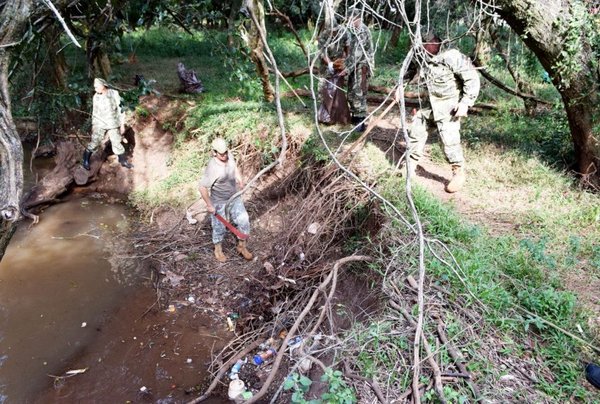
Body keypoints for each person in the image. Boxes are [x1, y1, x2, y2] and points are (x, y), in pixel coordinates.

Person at [401, 33, 480, 193]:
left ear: (436, 43)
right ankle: (409, 167)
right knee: (416, 132)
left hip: (448, 106)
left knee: (449, 140)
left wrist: (465, 103)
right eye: (421, 44)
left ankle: (458, 172)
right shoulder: (421, 56)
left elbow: (472, 79)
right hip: (429, 104)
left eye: (426, 44)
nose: (422, 48)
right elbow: (410, 70)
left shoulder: (452, 57)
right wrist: (400, 86)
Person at [199, 138, 253, 263]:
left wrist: (239, 178)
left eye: (225, 152)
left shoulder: (229, 156)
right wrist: (209, 205)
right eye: (221, 154)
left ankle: (242, 246)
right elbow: (202, 187)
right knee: (220, 228)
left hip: (234, 197)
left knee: (244, 220)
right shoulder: (212, 168)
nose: (224, 156)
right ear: (214, 152)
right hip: (219, 201)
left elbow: (234, 167)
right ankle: (218, 250)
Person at [82, 78, 133, 170]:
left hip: (113, 123)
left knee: (116, 142)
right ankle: (85, 160)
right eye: (94, 87)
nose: (95, 89)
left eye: (96, 87)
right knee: (95, 142)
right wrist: (94, 125)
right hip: (100, 123)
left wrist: (122, 124)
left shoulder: (114, 93)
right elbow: (95, 112)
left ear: (103, 86)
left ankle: (123, 161)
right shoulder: (96, 96)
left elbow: (121, 109)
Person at [340, 7, 374, 132]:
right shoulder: (354, 30)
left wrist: (347, 69)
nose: (348, 22)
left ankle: (361, 121)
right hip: (354, 66)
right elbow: (351, 52)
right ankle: (355, 116)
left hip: (362, 67)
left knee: (359, 93)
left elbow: (358, 54)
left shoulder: (363, 31)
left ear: (356, 18)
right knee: (351, 92)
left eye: (350, 19)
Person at [316, 21, 350, 125]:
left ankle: (337, 115)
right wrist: (330, 64)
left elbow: (348, 48)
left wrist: (345, 62)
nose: (334, 33)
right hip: (326, 65)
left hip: (339, 64)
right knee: (325, 89)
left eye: (336, 30)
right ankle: (325, 116)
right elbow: (322, 53)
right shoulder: (323, 36)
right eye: (332, 31)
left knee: (337, 89)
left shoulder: (344, 33)